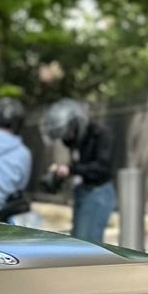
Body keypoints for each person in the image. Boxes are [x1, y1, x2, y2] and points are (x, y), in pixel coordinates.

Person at [42, 97, 117, 243]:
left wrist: (71, 170)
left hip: (98, 192)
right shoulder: (78, 140)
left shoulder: (100, 135)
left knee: (89, 244)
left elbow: (102, 168)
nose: (67, 138)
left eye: (68, 132)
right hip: (83, 191)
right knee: (77, 241)